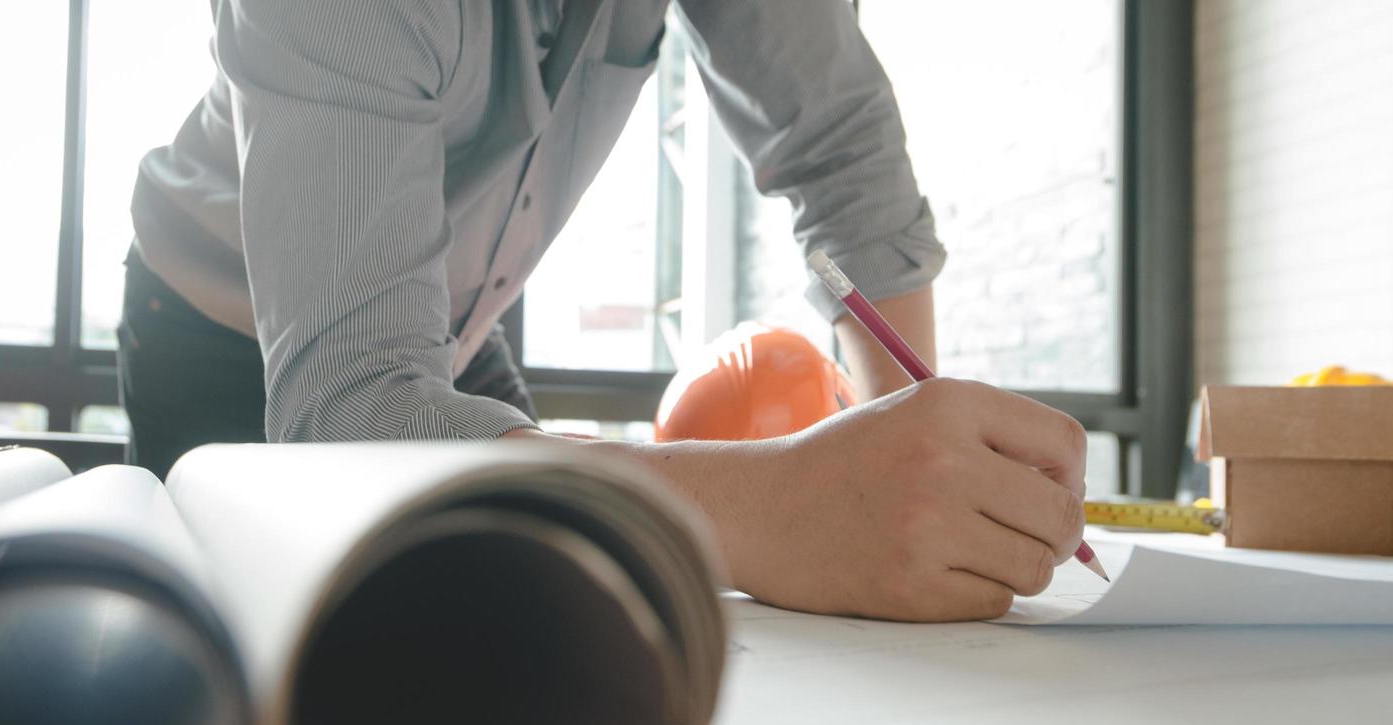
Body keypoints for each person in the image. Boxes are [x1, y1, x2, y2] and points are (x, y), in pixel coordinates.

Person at [122, 0, 1088, 623]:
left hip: (451, 336)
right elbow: (351, 415)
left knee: (534, 630)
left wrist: (916, 458)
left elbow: (847, 155)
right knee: (276, 704)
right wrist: (783, 508)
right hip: (224, 331)